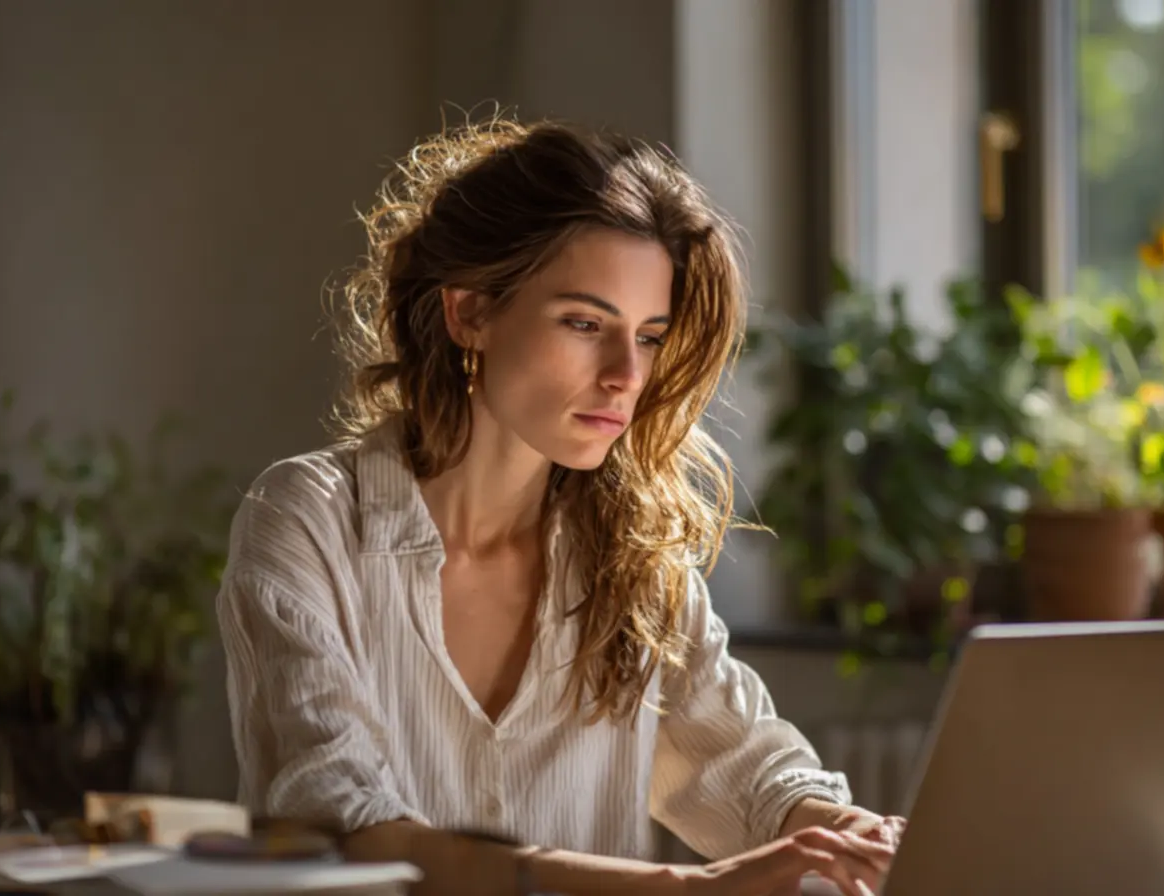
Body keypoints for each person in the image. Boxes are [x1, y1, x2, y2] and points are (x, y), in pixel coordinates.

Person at [216, 119, 904, 896]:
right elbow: (344, 829)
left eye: (649, 336)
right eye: (584, 323)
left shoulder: (633, 556)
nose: (625, 374)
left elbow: (742, 763)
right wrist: (681, 891)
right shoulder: (306, 521)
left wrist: (842, 830)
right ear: (469, 313)